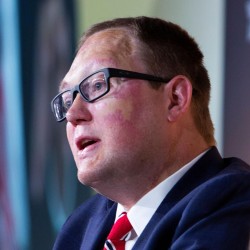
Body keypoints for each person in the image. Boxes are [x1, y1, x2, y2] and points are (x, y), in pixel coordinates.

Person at [51, 16, 250, 249]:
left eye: (97, 85)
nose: (73, 114)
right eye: (67, 99)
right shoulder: (81, 225)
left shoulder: (232, 200)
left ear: (175, 99)